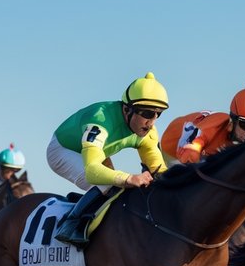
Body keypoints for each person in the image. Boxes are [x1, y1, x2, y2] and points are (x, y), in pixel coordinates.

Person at [47, 72, 169, 247]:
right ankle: (70, 224)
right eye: (148, 113)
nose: (152, 122)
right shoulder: (100, 120)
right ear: (127, 109)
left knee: (117, 188)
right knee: (109, 184)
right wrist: (129, 178)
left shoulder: (148, 132)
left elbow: (159, 170)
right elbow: (92, 171)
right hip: (63, 149)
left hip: (97, 152)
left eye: (158, 114)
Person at [159, 82, 245, 164]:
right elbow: (188, 155)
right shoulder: (214, 126)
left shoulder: (242, 139)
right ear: (232, 122)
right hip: (171, 151)